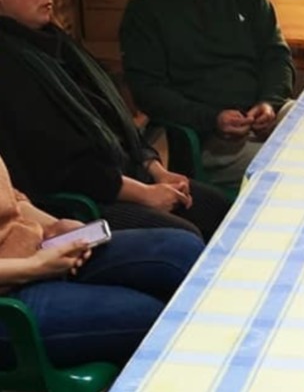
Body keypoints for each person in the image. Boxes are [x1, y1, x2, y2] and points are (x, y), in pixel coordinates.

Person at [0, 0, 229, 242]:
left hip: (130, 174)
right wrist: (145, 194)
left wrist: (156, 171)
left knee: (220, 209)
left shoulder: (56, 43)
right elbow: (65, 167)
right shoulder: (11, 65)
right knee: (184, 240)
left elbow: (118, 120)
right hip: (89, 202)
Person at [120, 0, 296, 186]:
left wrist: (270, 101)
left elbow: (276, 55)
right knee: (293, 166)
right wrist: (213, 118)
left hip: (266, 120)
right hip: (212, 142)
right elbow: (149, 93)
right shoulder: (144, 12)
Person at [0, 152, 203, 368]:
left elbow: (12, 200)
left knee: (182, 249)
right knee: (152, 317)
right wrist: (35, 266)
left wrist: (54, 227)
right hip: (12, 286)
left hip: (35, 250)